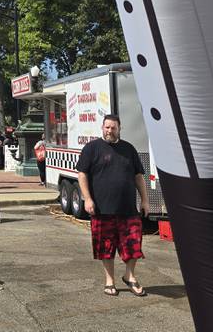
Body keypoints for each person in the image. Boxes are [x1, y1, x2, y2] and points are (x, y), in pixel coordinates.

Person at [76, 115, 149, 297]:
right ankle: (110, 281)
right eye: (107, 127)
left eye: (113, 128)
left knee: (133, 246)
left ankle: (130, 276)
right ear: (102, 127)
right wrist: (87, 199)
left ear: (119, 128)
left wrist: (145, 200)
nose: (109, 131)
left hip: (128, 210)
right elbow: (82, 174)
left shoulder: (129, 149)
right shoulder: (91, 149)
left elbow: (138, 176)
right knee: (105, 248)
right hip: (102, 210)